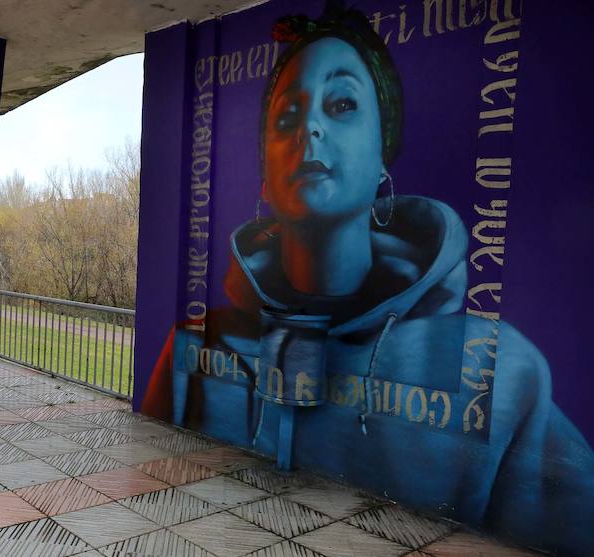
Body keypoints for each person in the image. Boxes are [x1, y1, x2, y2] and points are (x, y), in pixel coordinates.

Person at [142, 7, 593, 555]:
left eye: (342, 105)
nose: (310, 129)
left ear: (383, 153)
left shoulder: (500, 370)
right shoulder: (197, 347)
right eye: (286, 117)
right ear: (265, 176)